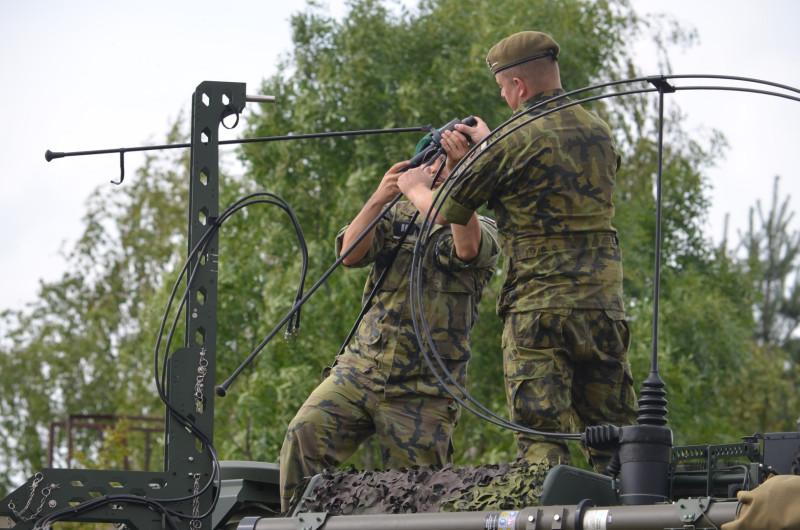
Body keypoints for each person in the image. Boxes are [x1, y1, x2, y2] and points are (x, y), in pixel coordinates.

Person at [399, 30, 637, 472]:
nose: (504, 97)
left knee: (542, 443)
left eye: (502, 88)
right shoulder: (600, 133)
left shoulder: (512, 140)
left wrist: (413, 187)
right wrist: (491, 146)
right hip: (603, 308)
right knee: (617, 439)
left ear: (519, 85)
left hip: (539, 312)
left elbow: (448, 211)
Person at [278, 143, 499, 513]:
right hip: (361, 370)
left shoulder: (479, 225)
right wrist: (381, 197)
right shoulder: (397, 213)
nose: (437, 171)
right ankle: (295, 521)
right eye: (433, 162)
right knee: (304, 434)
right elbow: (349, 254)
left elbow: (467, 247)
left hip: (423, 390)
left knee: (419, 497)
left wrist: (431, 187)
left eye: (448, 166)